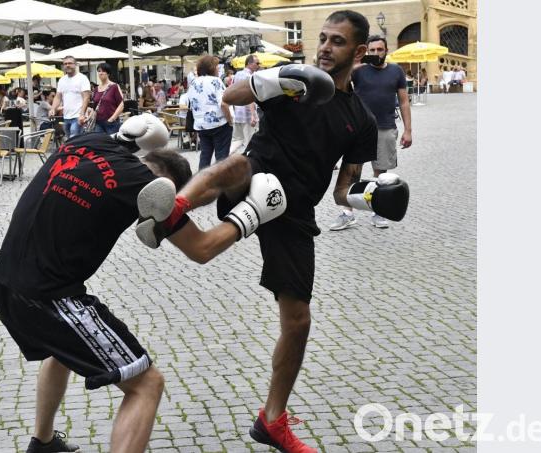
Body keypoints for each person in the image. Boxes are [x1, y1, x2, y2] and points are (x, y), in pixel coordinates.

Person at [134, 10, 410, 453]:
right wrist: (279, 80)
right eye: (323, 38)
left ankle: (272, 420)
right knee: (238, 162)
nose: (324, 46)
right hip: (258, 169)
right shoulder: (297, 81)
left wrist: (373, 197)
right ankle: (174, 208)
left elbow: (342, 189)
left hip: (296, 209)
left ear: (359, 52)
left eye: (336, 41)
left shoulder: (357, 118)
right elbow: (232, 91)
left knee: (298, 321)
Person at [0, 114, 209, 453]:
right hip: (49, 297)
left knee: (60, 348)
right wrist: (250, 215)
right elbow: (201, 248)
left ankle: (43, 442)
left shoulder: (84, 142)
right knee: (147, 384)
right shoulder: (143, 185)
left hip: (5, 279)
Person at [329, 34, 412, 230]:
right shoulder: (358, 71)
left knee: (381, 173)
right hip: (358, 128)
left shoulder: (396, 71)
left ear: (386, 50)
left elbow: (404, 101)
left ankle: (379, 210)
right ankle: (347, 213)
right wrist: (353, 66)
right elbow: (336, 84)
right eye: (372, 50)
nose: (376, 54)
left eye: (379, 50)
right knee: (351, 173)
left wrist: (408, 130)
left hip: (385, 127)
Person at [187, 55, 233, 171]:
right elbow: (223, 103)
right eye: (217, 66)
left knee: (205, 156)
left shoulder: (193, 83)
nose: (219, 69)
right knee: (221, 158)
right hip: (219, 124)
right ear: (211, 67)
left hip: (201, 125)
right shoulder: (215, 81)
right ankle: (221, 184)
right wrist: (230, 120)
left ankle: (201, 183)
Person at [50, 55, 91, 139]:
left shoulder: (82, 78)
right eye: (65, 64)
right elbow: (58, 97)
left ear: (75, 65)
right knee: (69, 141)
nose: (67, 65)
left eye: (70, 63)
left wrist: (82, 114)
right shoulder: (62, 80)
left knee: (74, 140)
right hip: (66, 116)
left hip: (78, 116)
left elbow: (86, 97)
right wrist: (53, 109)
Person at [231, 54, 260, 154]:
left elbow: (232, 92)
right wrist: (253, 115)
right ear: (249, 64)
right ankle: (247, 165)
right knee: (250, 142)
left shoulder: (237, 75)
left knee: (237, 141)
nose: (258, 65)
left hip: (238, 114)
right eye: (257, 63)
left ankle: (225, 158)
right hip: (247, 114)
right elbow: (250, 97)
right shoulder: (250, 76)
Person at [92, 62, 125, 134]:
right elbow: (94, 107)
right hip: (98, 122)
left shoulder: (114, 86)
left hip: (111, 123)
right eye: (99, 71)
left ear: (108, 73)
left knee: (111, 143)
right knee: (99, 143)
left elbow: (121, 104)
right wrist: (89, 117)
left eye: (103, 71)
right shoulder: (96, 89)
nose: (101, 73)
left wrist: (112, 119)